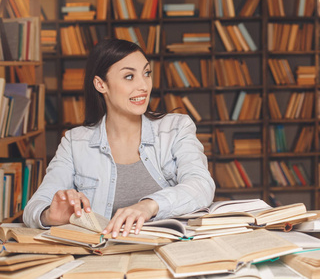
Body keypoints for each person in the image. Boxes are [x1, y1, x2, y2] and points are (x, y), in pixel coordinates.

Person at [23, 39, 215, 238]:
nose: (144, 85)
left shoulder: (175, 128)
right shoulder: (74, 143)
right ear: (100, 84)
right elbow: (33, 208)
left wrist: (149, 206)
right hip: (103, 258)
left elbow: (201, 185)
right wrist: (48, 216)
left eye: (146, 73)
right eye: (129, 76)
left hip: (170, 251)